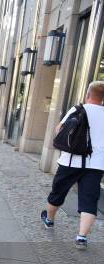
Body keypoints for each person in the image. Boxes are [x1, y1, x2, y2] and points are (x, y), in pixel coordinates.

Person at [41, 81, 104, 249]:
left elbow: (59, 130)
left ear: (88, 94)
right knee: (89, 200)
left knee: (58, 192)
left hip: (71, 161)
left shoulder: (78, 109)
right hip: (96, 165)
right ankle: (81, 237)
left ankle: (49, 220)